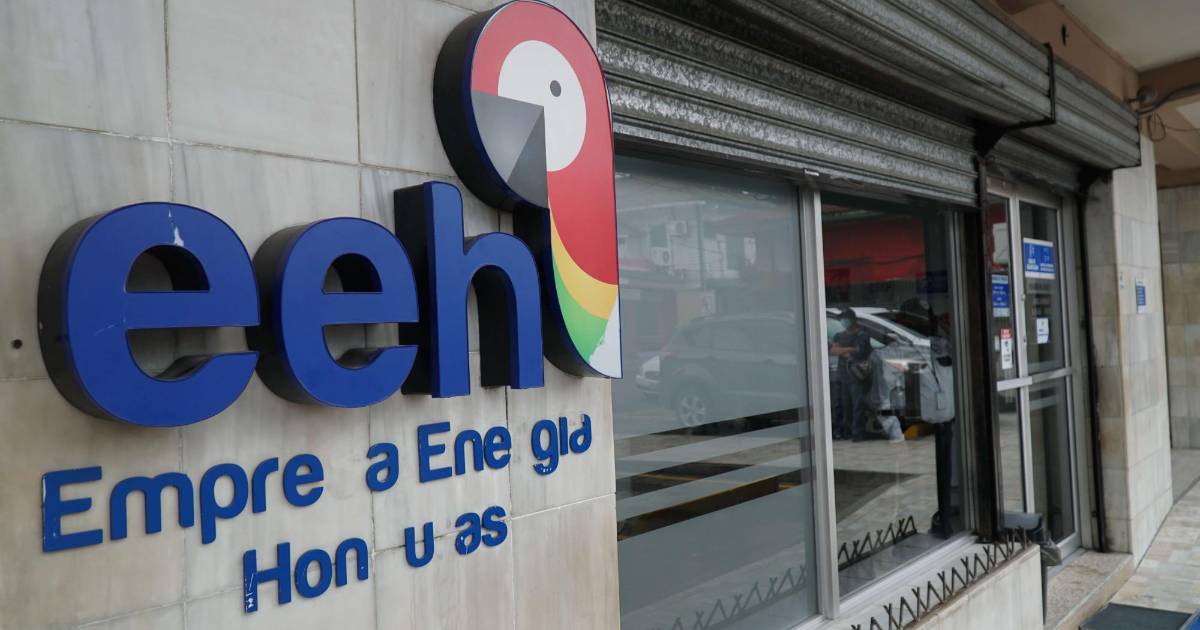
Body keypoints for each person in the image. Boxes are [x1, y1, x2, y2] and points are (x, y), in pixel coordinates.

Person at [830, 308, 873, 442]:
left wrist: (844, 350)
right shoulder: (838, 335)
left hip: (857, 376)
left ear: (853, 320)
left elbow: (858, 353)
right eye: (842, 319)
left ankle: (857, 432)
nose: (843, 321)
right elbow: (834, 351)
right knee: (842, 405)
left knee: (857, 405)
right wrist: (849, 349)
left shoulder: (862, 335)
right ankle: (843, 431)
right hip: (842, 375)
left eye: (846, 319)